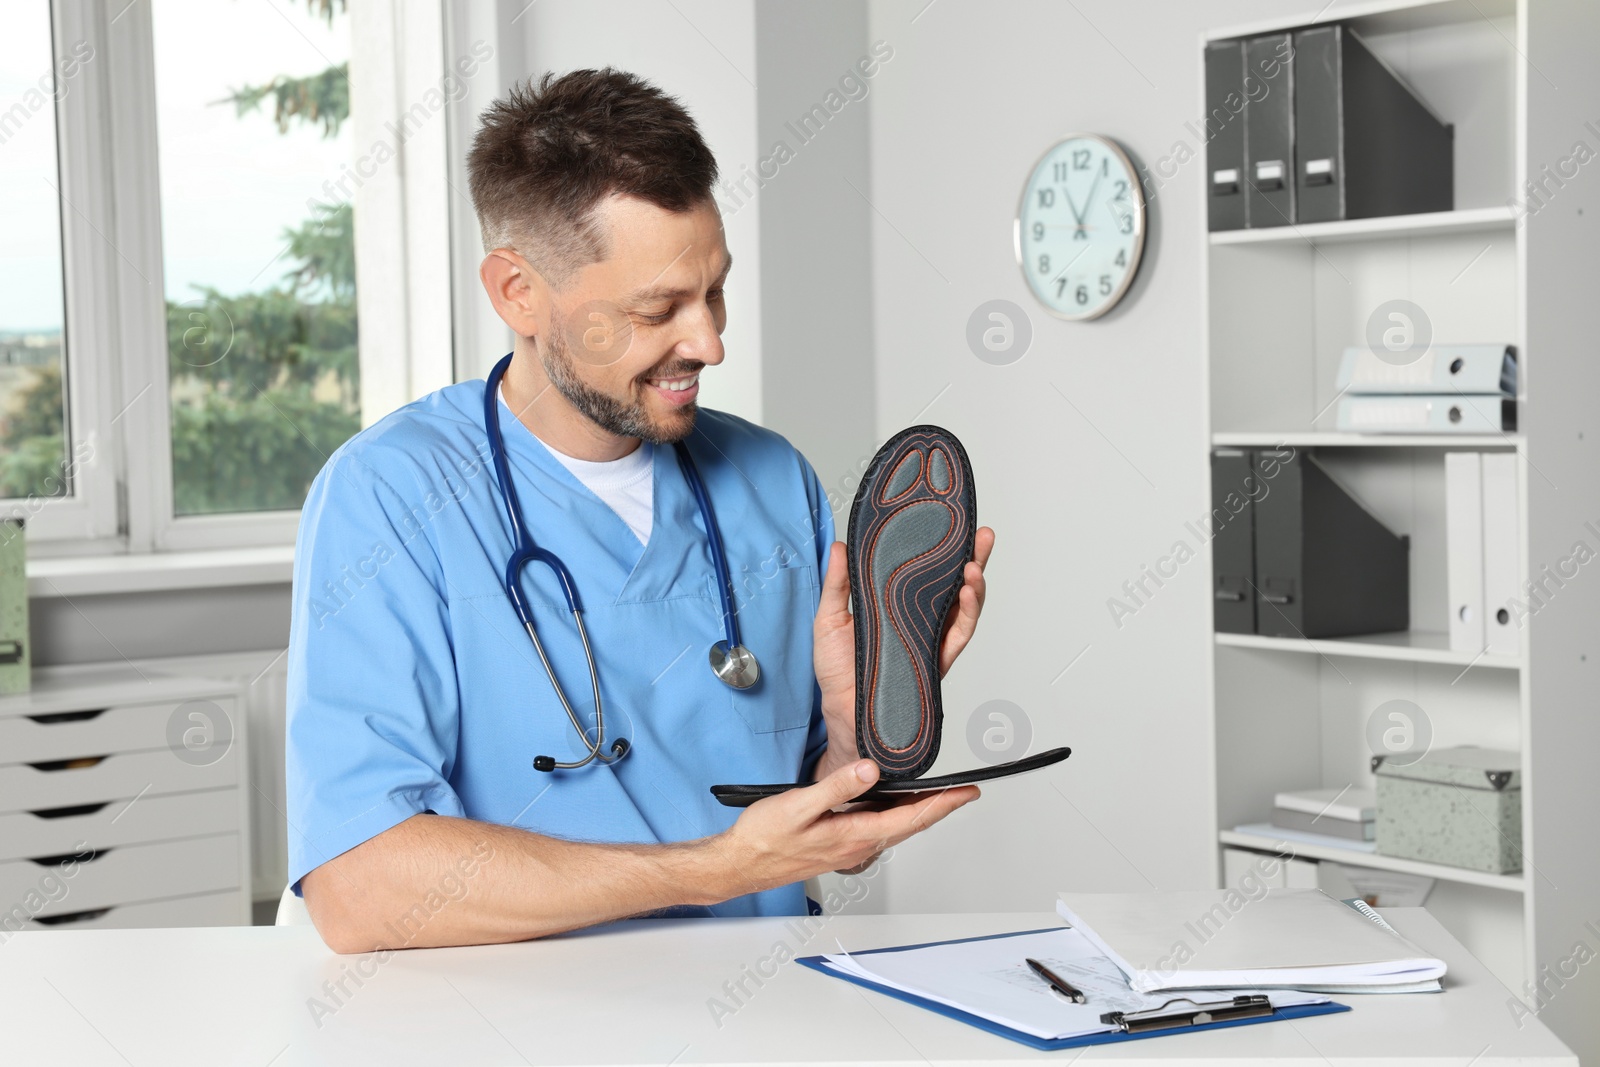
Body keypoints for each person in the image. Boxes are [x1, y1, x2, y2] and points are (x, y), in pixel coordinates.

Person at [286, 68, 992, 952]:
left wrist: (859, 726)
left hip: (766, 1008)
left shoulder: (774, 482)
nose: (710, 342)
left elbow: (825, 841)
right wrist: (716, 869)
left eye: (715, 291)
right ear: (518, 291)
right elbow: (361, 890)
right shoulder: (389, 498)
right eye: (658, 309)